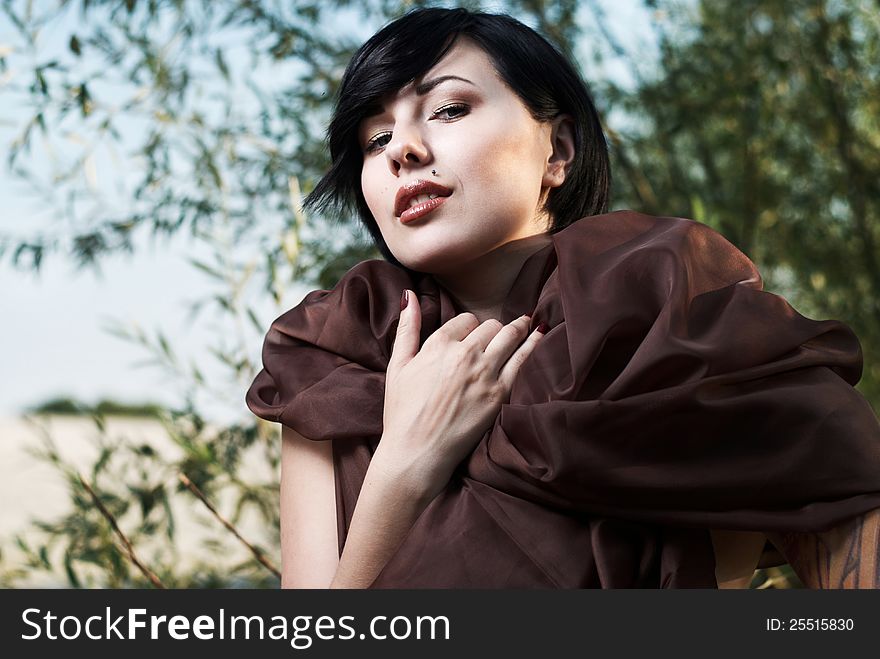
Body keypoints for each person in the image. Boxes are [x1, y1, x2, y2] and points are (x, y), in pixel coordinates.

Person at [246, 7, 880, 588]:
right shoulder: (332, 358)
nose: (403, 151)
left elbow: (848, 495)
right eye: (375, 140)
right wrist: (403, 466)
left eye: (449, 109)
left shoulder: (674, 319)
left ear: (559, 150)